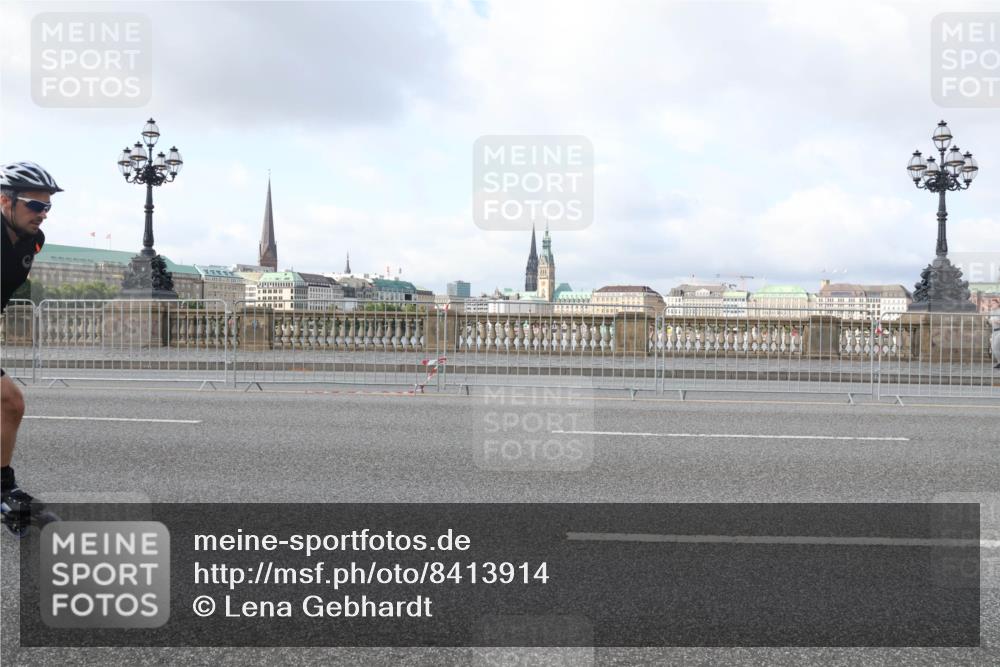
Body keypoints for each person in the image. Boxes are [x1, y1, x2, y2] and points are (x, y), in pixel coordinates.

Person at [1, 161, 62, 529]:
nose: (42, 214)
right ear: (5, 201)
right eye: (34, 205)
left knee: (10, 403)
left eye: (47, 207)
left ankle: (4, 489)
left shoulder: (31, 243)